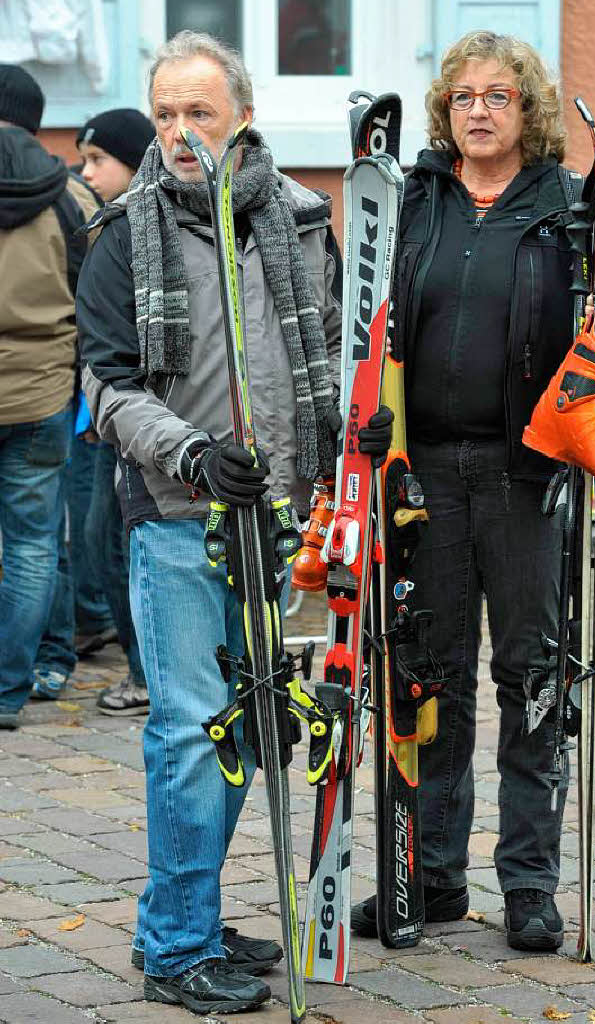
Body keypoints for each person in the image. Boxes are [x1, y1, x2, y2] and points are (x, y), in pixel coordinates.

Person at [76, 31, 390, 1015]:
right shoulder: (123, 235)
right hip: (176, 513)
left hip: (283, 513)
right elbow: (106, 385)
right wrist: (191, 451)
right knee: (186, 732)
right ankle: (175, 948)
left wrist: (360, 414)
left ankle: (185, 918)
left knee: (252, 726)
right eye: (163, 113)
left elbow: (340, 343)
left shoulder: (299, 220)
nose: (176, 131)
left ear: (242, 116)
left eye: (196, 113)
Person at [350, 31, 595, 952]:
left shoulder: (575, 206)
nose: (478, 110)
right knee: (429, 680)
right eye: (462, 97)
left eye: (498, 95)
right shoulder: (414, 203)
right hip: (425, 475)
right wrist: (372, 416)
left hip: (533, 477)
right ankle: (432, 876)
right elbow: (366, 322)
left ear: (527, 112)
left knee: (532, 679)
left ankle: (527, 882)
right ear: (446, 111)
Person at [0, 64, 98, 730]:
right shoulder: (75, 197)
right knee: (34, 543)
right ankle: (8, 690)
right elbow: (99, 303)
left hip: (40, 392)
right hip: (42, 395)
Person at [78, 107, 155, 715]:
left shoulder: (138, 231)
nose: (87, 172)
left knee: (112, 543)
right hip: (108, 415)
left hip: (143, 424)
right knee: (103, 541)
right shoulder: (108, 227)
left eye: (98, 160)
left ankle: (145, 671)